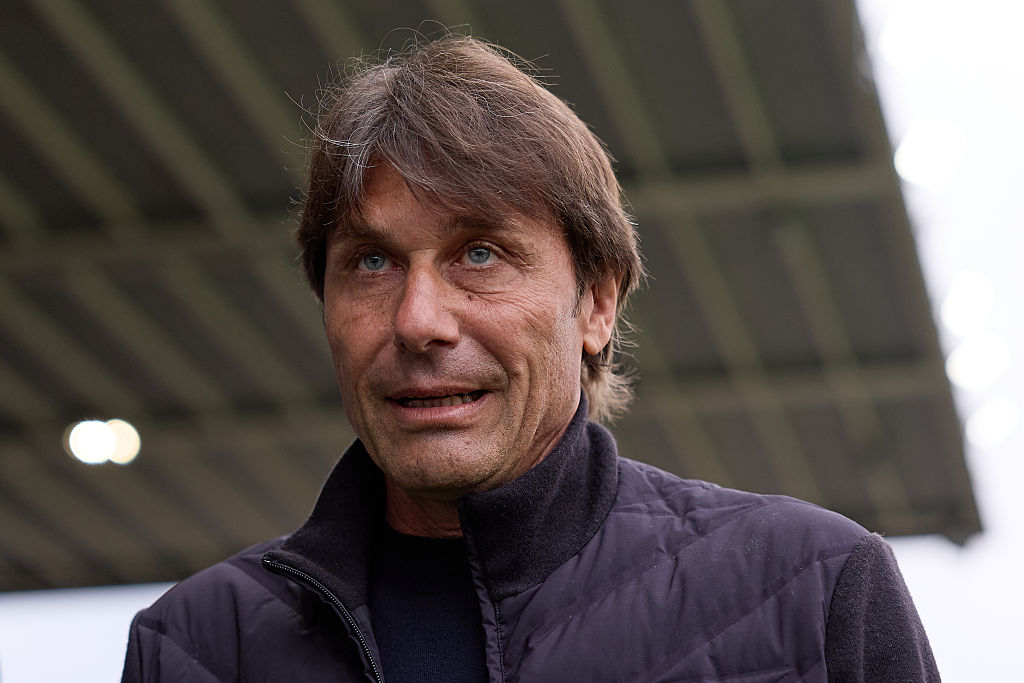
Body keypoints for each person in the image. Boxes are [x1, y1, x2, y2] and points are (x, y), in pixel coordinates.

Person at [121, 35, 939, 682]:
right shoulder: (193, 648)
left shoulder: (815, 589)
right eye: (371, 262)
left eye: (479, 253)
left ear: (596, 303)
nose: (418, 321)